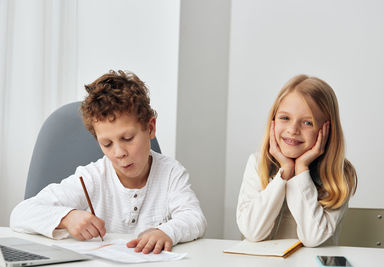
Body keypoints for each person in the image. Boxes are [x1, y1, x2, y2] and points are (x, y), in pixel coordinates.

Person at [10, 70, 206, 254]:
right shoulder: (91, 178)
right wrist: (66, 218)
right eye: (107, 143)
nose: (119, 153)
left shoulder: (171, 172)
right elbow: (20, 214)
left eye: (128, 138)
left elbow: (194, 218)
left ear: (150, 127)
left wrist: (167, 232)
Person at [236, 74, 357, 247]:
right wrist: (284, 173)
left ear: (327, 130)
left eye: (307, 123)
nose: (293, 130)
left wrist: (301, 171)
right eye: (285, 118)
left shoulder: (339, 173)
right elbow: (253, 232)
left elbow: (313, 237)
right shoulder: (258, 163)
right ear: (273, 121)